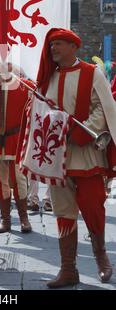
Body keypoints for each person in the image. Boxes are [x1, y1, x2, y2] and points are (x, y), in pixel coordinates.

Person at [36, 28, 116, 287]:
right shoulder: (49, 78)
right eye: (51, 46)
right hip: (57, 156)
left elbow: (102, 109)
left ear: (73, 46)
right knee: (63, 211)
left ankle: (101, 258)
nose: (53, 49)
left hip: (86, 154)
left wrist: (78, 132)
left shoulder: (92, 73)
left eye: (58, 44)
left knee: (93, 207)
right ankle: (68, 269)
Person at [0, 64, 32, 234]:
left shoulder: (24, 85)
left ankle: (23, 218)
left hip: (17, 139)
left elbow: (37, 98)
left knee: (19, 180)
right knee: (1, 181)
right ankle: (5, 219)